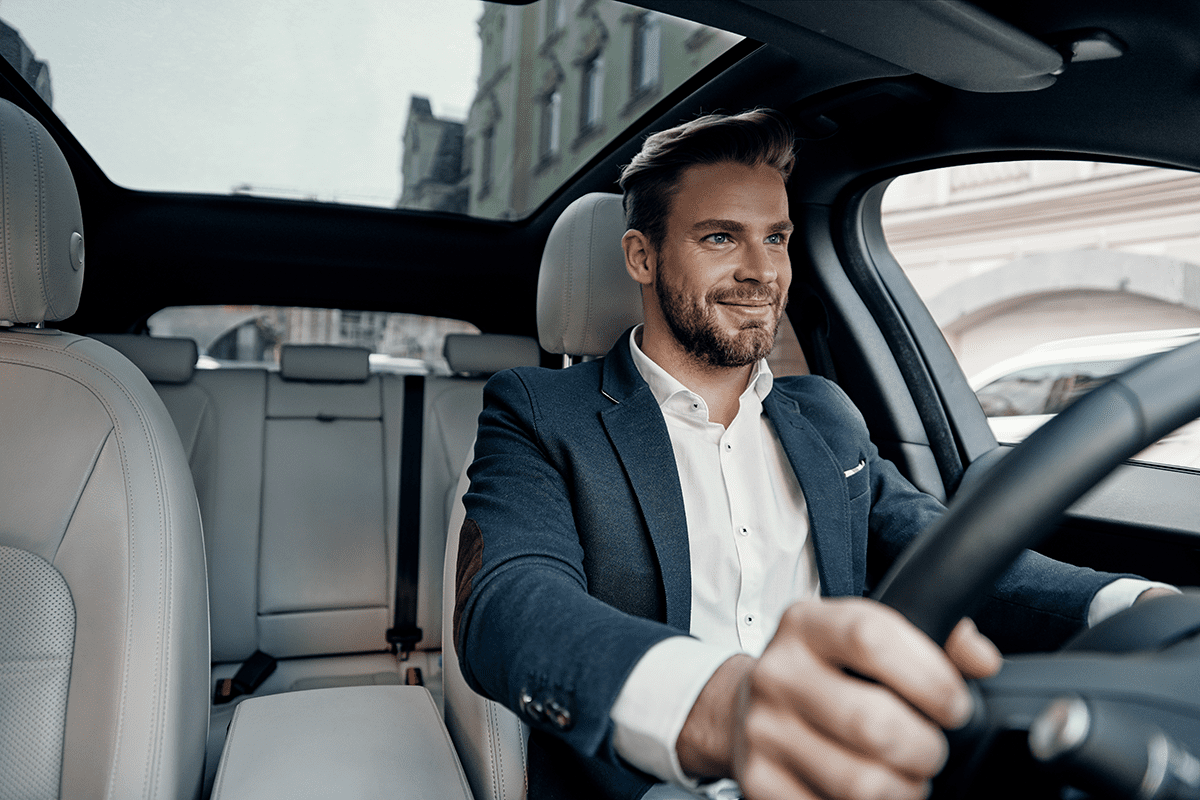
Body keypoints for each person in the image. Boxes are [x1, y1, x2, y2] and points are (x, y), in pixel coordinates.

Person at [453, 109, 1174, 800]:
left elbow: (946, 549)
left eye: (776, 238)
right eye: (719, 238)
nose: (762, 272)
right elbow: (510, 604)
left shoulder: (823, 414)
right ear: (642, 255)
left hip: (856, 765)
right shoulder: (540, 410)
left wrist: (1133, 605)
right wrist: (724, 710)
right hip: (649, 784)